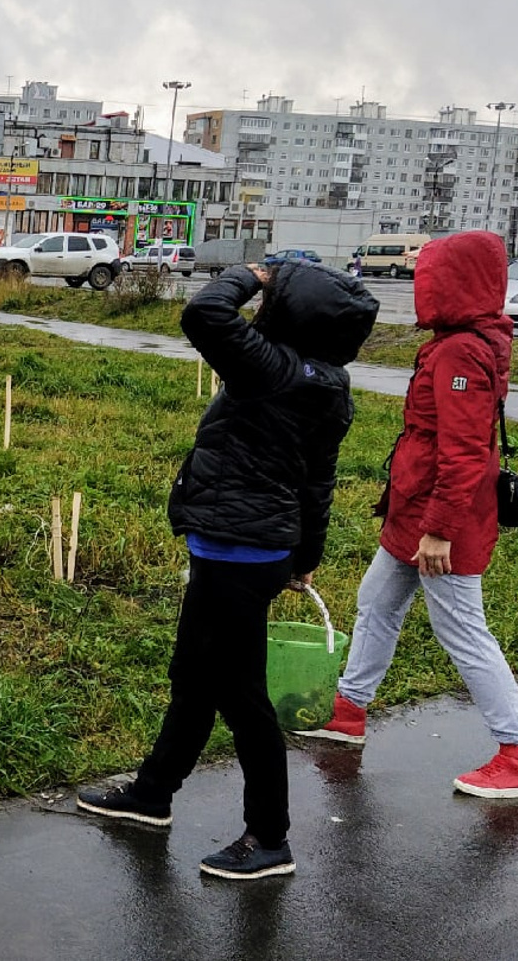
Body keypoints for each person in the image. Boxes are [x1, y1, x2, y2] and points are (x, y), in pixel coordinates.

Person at [77, 260, 379, 879]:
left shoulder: (272, 369)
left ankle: (269, 838)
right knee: (193, 675)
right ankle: (152, 794)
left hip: (237, 555)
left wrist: (246, 276)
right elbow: (317, 482)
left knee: (241, 698)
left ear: (292, 313)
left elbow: (203, 315)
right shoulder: (327, 381)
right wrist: (305, 558)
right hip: (248, 551)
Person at [299, 231, 518, 797]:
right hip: (414, 513)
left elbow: (464, 451)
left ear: (456, 283)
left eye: (432, 276)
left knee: (462, 630)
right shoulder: (461, 341)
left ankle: (515, 749)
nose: (423, 285)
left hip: (442, 520)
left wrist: (441, 531)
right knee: (376, 601)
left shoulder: (461, 350)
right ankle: (349, 710)